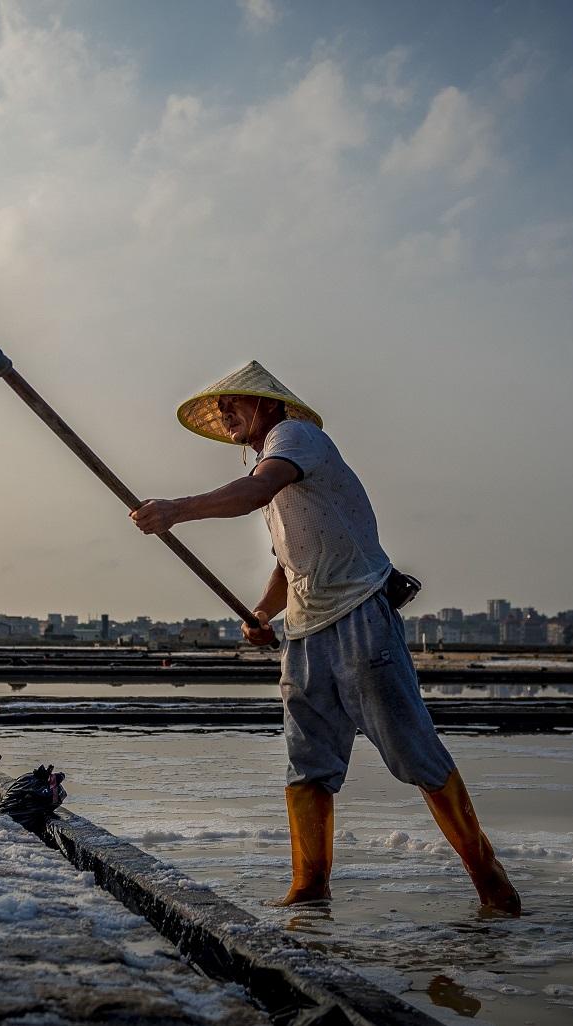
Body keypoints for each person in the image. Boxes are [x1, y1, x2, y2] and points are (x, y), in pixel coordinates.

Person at [130, 360, 521, 916]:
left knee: (414, 753)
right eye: (219, 408)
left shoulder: (295, 437)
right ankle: (309, 889)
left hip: (360, 614)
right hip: (304, 631)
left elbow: (253, 490)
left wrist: (177, 510)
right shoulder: (274, 477)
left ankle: (491, 882)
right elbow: (289, 563)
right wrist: (264, 613)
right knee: (308, 765)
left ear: (267, 404)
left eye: (233, 402)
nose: (224, 413)